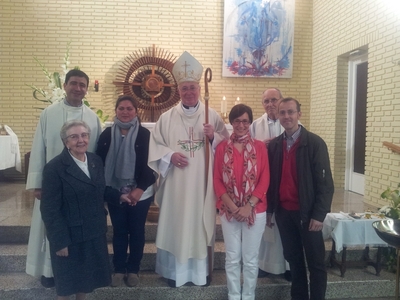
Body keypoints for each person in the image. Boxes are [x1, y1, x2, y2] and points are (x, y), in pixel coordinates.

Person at [148, 51, 229, 287]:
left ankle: (199, 273)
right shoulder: (167, 117)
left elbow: (226, 147)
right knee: (177, 225)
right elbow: (155, 146)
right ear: (179, 91)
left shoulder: (210, 115)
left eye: (193, 88)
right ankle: (175, 273)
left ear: (199, 89)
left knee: (199, 226)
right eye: (185, 89)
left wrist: (214, 137)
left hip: (203, 186)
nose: (189, 92)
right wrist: (170, 155)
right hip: (177, 186)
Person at [25, 69, 102, 288]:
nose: (78, 88)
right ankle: (48, 271)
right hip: (53, 185)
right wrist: (38, 184)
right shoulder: (49, 113)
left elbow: (93, 154)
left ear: (86, 89)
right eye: (74, 83)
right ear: (65, 85)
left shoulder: (92, 118)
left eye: (82, 85)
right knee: (51, 225)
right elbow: (39, 147)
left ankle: (75, 273)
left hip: (79, 189)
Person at [40, 120, 131, 300]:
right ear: (66, 142)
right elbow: (49, 208)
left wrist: (118, 196)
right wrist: (59, 241)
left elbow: (98, 188)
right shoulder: (54, 168)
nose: (80, 140)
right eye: (74, 137)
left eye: (84, 135)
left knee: (86, 282)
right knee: (66, 286)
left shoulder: (95, 160)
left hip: (93, 231)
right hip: (70, 236)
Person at [267, 97, 334, 300]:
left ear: (299, 114)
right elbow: (272, 181)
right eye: (282, 112)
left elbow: (325, 184)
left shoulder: (314, 143)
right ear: (278, 116)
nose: (286, 116)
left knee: (316, 263)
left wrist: (319, 215)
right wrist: (271, 210)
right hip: (284, 214)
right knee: (294, 261)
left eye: (290, 112)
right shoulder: (276, 145)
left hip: (308, 215)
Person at [96, 95, 156, 287]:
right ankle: (119, 269)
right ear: (116, 110)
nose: (125, 112)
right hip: (115, 192)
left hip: (141, 193)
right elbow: (99, 165)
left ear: (136, 111)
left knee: (137, 231)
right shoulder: (106, 135)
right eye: (121, 108)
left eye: (129, 108)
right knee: (119, 231)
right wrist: (113, 193)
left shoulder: (145, 135)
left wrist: (139, 189)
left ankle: (133, 270)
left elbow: (151, 165)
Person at [213, 104, 269, 300]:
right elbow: (217, 180)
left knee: (251, 259)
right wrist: (234, 207)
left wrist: (248, 206)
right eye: (237, 121)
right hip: (229, 210)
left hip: (255, 209)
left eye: (245, 121)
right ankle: (234, 295)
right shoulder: (222, 147)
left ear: (250, 122)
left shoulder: (260, 147)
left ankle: (249, 296)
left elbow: (265, 179)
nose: (241, 125)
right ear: (231, 122)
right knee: (232, 258)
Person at [249, 88, 291, 280]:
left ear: (281, 100)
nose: (270, 104)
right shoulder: (255, 125)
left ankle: (290, 265)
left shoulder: (291, 123)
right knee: (266, 224)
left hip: (285, 180)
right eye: (266, 101)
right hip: (263, 181)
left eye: (274, 100)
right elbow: (246, 149)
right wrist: (260, 147)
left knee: (286, 225)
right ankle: (264, 264)